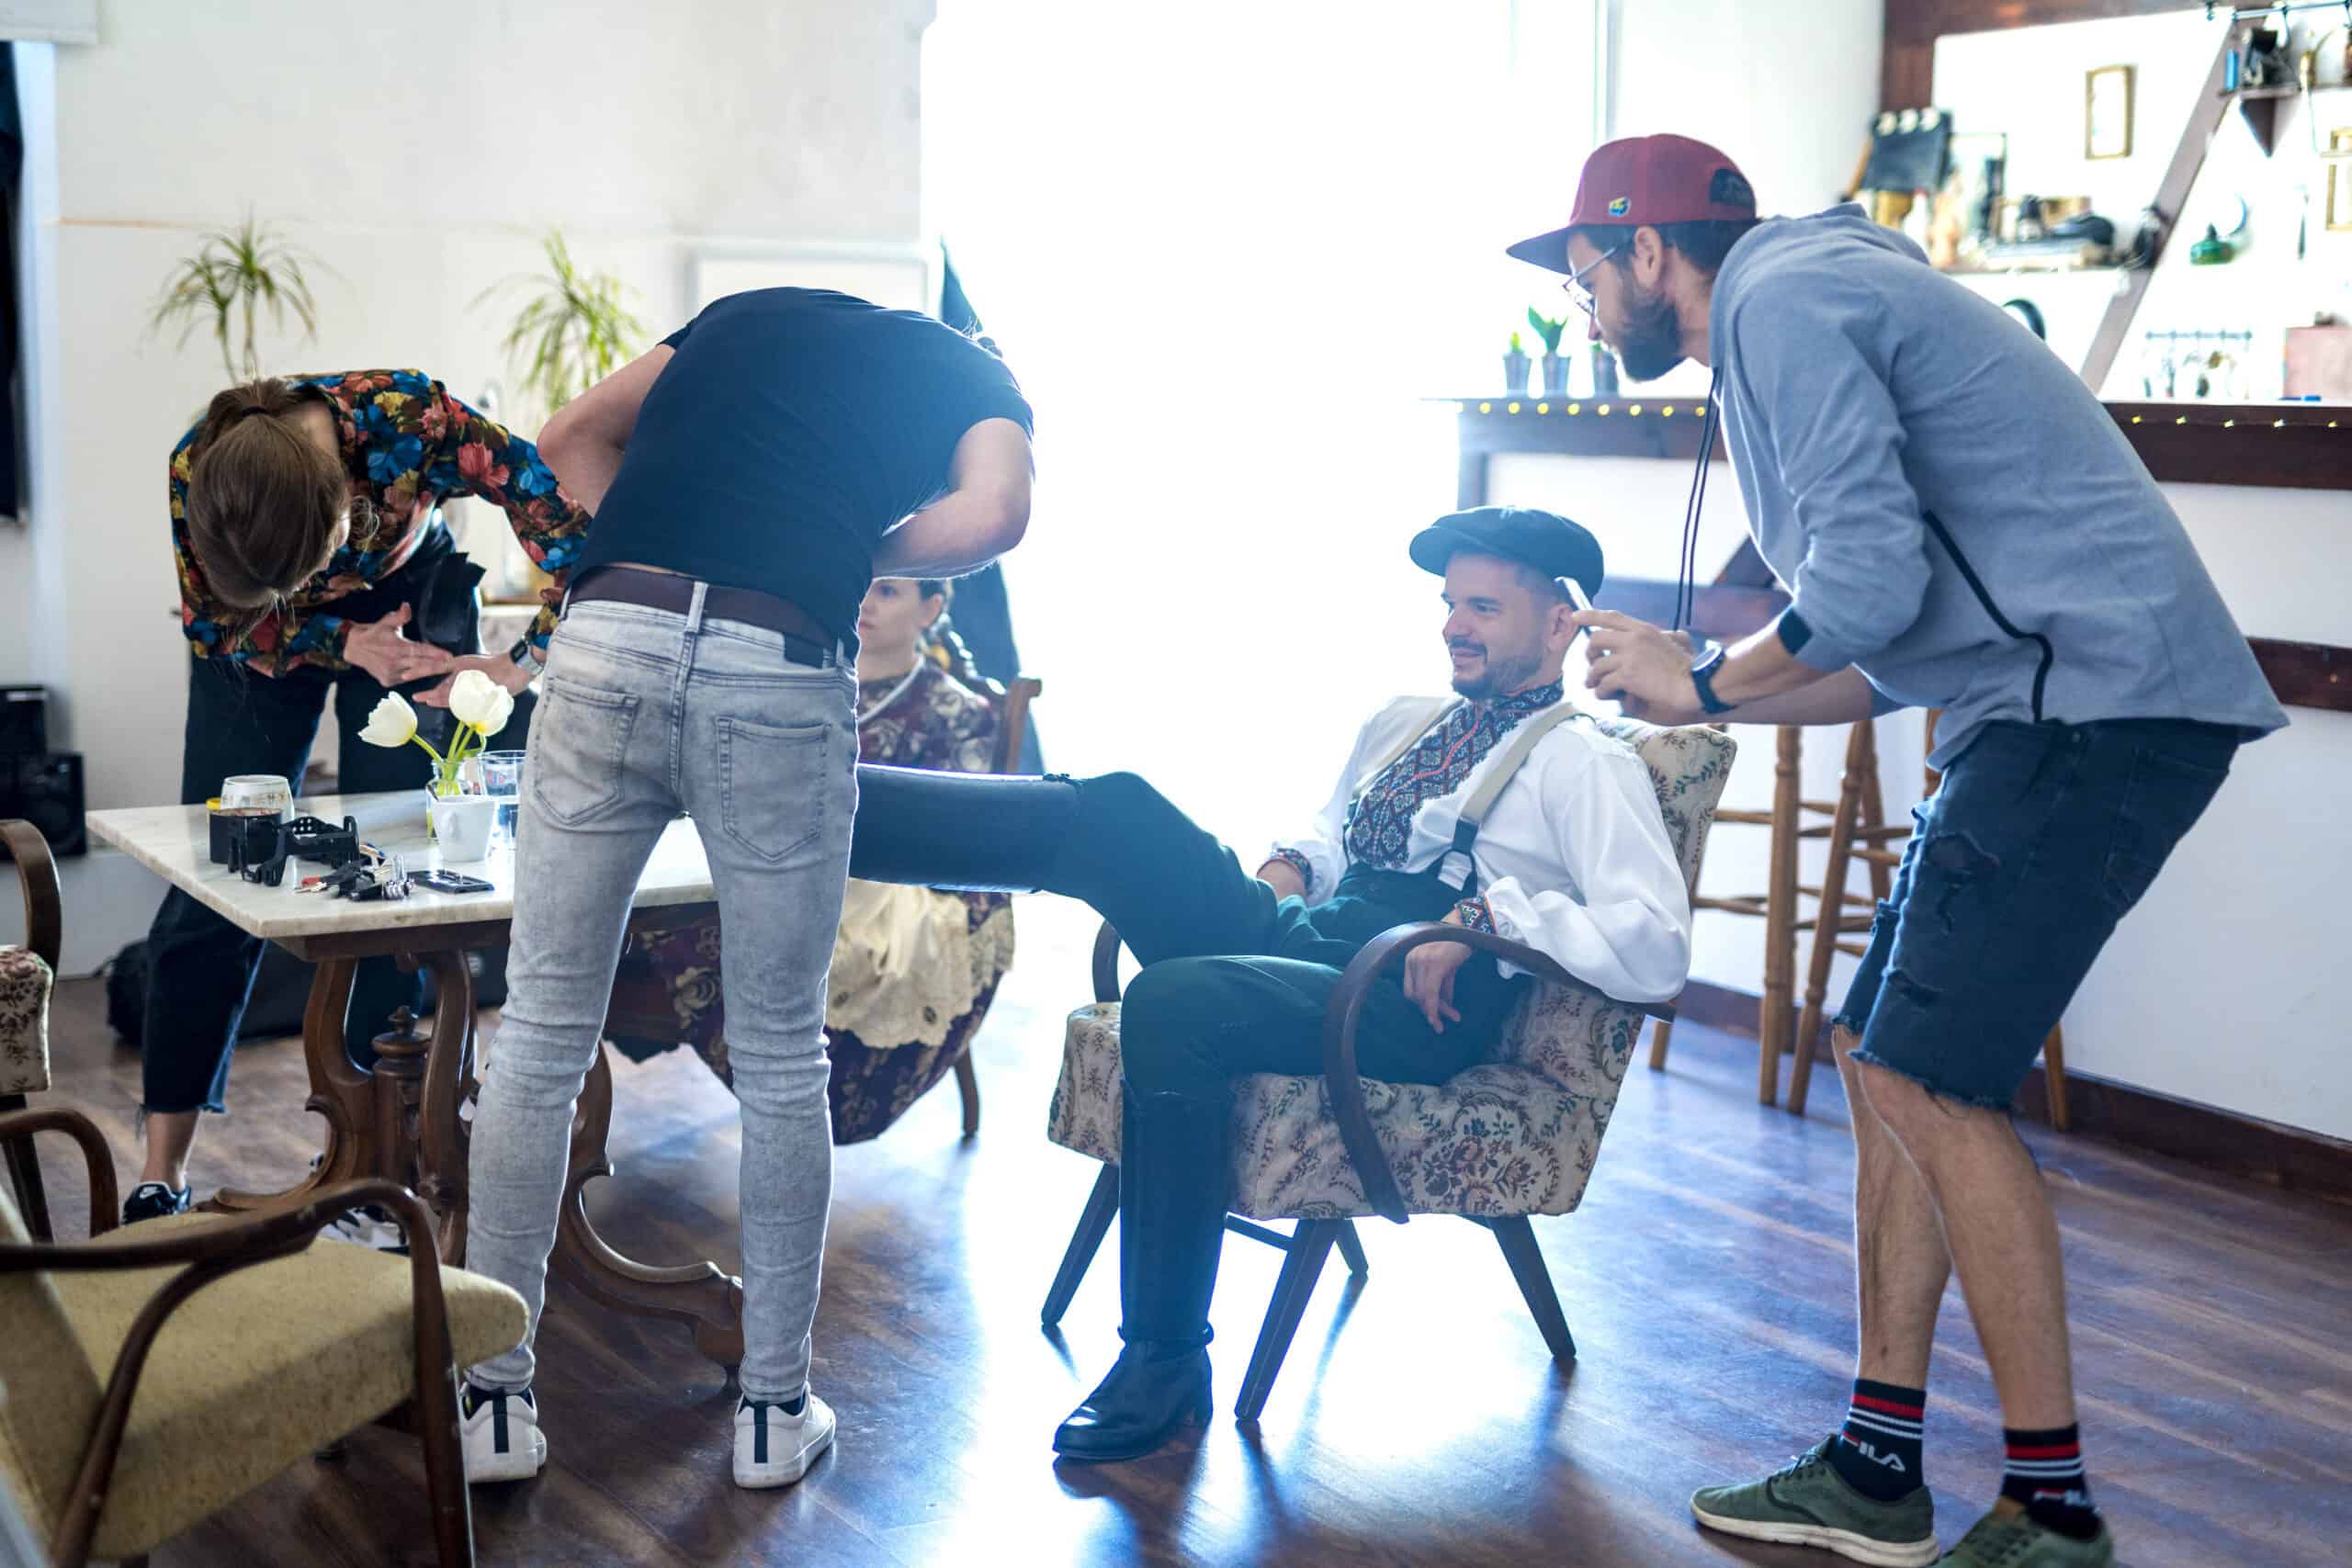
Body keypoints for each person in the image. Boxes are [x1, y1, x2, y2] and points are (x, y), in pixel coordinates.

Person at [1508, 135, 2287, 1568]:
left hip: (2094, 709)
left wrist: (1708, 674)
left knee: (1929, 1074)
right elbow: (1887, 653)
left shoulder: (1779, 300)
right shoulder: (1794, 311)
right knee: (1881, 1054)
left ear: (1651, 251)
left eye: (1585, 270)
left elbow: (1863, 586)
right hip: (2039, 706)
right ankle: (1876, 1467)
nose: (1584, 302)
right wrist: (1700, 687)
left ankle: (2053, 1510)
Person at [854, 506, 1691, 1465]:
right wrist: (1288, 868)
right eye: (1450, 604)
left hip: (1398, 1010)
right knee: (1120, 811)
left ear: (1558, 625)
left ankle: (1164, 1361)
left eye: (1484, 609)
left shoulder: (1582, 760)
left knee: (1173, 1000)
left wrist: (1488, 921)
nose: (1455, 626)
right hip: (1313, 945)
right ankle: (842, 811)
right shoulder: (1406, 720)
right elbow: (1333, 832)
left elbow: (1656, 946)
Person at [457, 288, 1034, 1492]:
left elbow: (565, 438)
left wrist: (669, 540)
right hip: (778, 657)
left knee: (543, 1032)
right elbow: (996, 511)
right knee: (781, 1052)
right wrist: (847, 544)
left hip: (611, 630)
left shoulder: (743, 315)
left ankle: (491, 1398)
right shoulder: (978, 376)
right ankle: (772, 1410)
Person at [130, 370, 589, 1228]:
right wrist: (337, 637)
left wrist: (517, 665)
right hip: (264, 633)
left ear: (349, 505)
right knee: (215, 875)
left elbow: (570, 529)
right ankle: (162, 1172)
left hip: (410, 601)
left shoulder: (414, 420)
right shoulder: (200, 467)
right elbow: (212, 622)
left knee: (394, 882)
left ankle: (383, 1160)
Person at [609, 576, 1020, 1143]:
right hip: (780, 852)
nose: (866, 602)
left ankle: (793, 1100)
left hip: (882, 875)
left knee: (736, 920)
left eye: (889, 592)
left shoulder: (959, 711)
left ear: (930, 609)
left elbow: (958, 832)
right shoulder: (806, 682)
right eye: (863, 587)